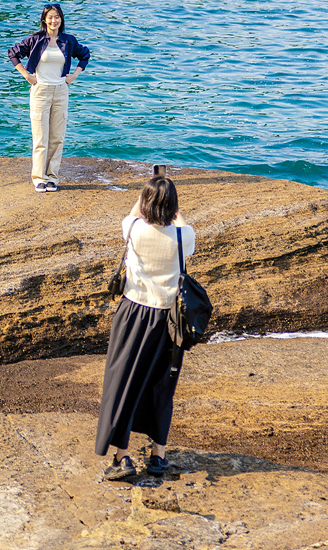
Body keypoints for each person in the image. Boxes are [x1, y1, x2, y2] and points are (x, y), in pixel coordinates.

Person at [94, 169, 196, 480]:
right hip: (169, 320)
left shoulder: (134, 230)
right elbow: (179, 222)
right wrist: (172, 208)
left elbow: (133, 212)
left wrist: (146, 194)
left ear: (147, 202)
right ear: (173, 206)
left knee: (123, 383)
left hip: (134, 314)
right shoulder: (183, 237)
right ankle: (158, 456)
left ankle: (122, 456)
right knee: (162, 386)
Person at [7, 3, 90, 192]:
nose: (54, 20)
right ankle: (39, 178)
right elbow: (13, 53)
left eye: (57, 17)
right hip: (40, 91)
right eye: (50, 17)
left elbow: (84, 54)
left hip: (61, 90)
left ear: (61, 19)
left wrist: (74, 75)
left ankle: (52, 177)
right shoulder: (35, 39)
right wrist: (26, 75)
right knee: (40, 137)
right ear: (44, 20)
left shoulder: (68, 41)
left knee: (57, 137)